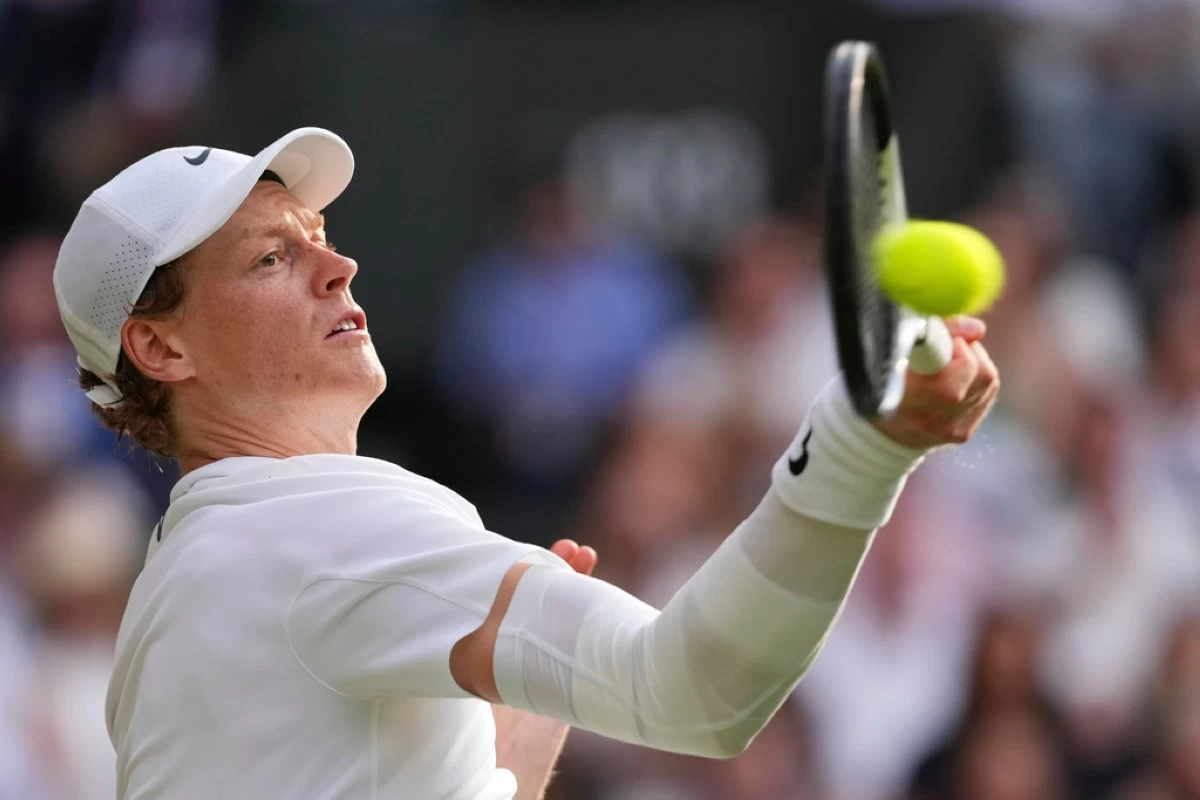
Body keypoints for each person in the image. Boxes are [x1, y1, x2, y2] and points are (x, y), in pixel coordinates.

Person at [53, 128, 999, 799]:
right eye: (270, 258)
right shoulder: (317, 526)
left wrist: (502, 756)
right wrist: (862, 449)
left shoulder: (177, 583)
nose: (336, 269)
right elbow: (699, 695)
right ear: (161, 348)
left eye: (321, 240)